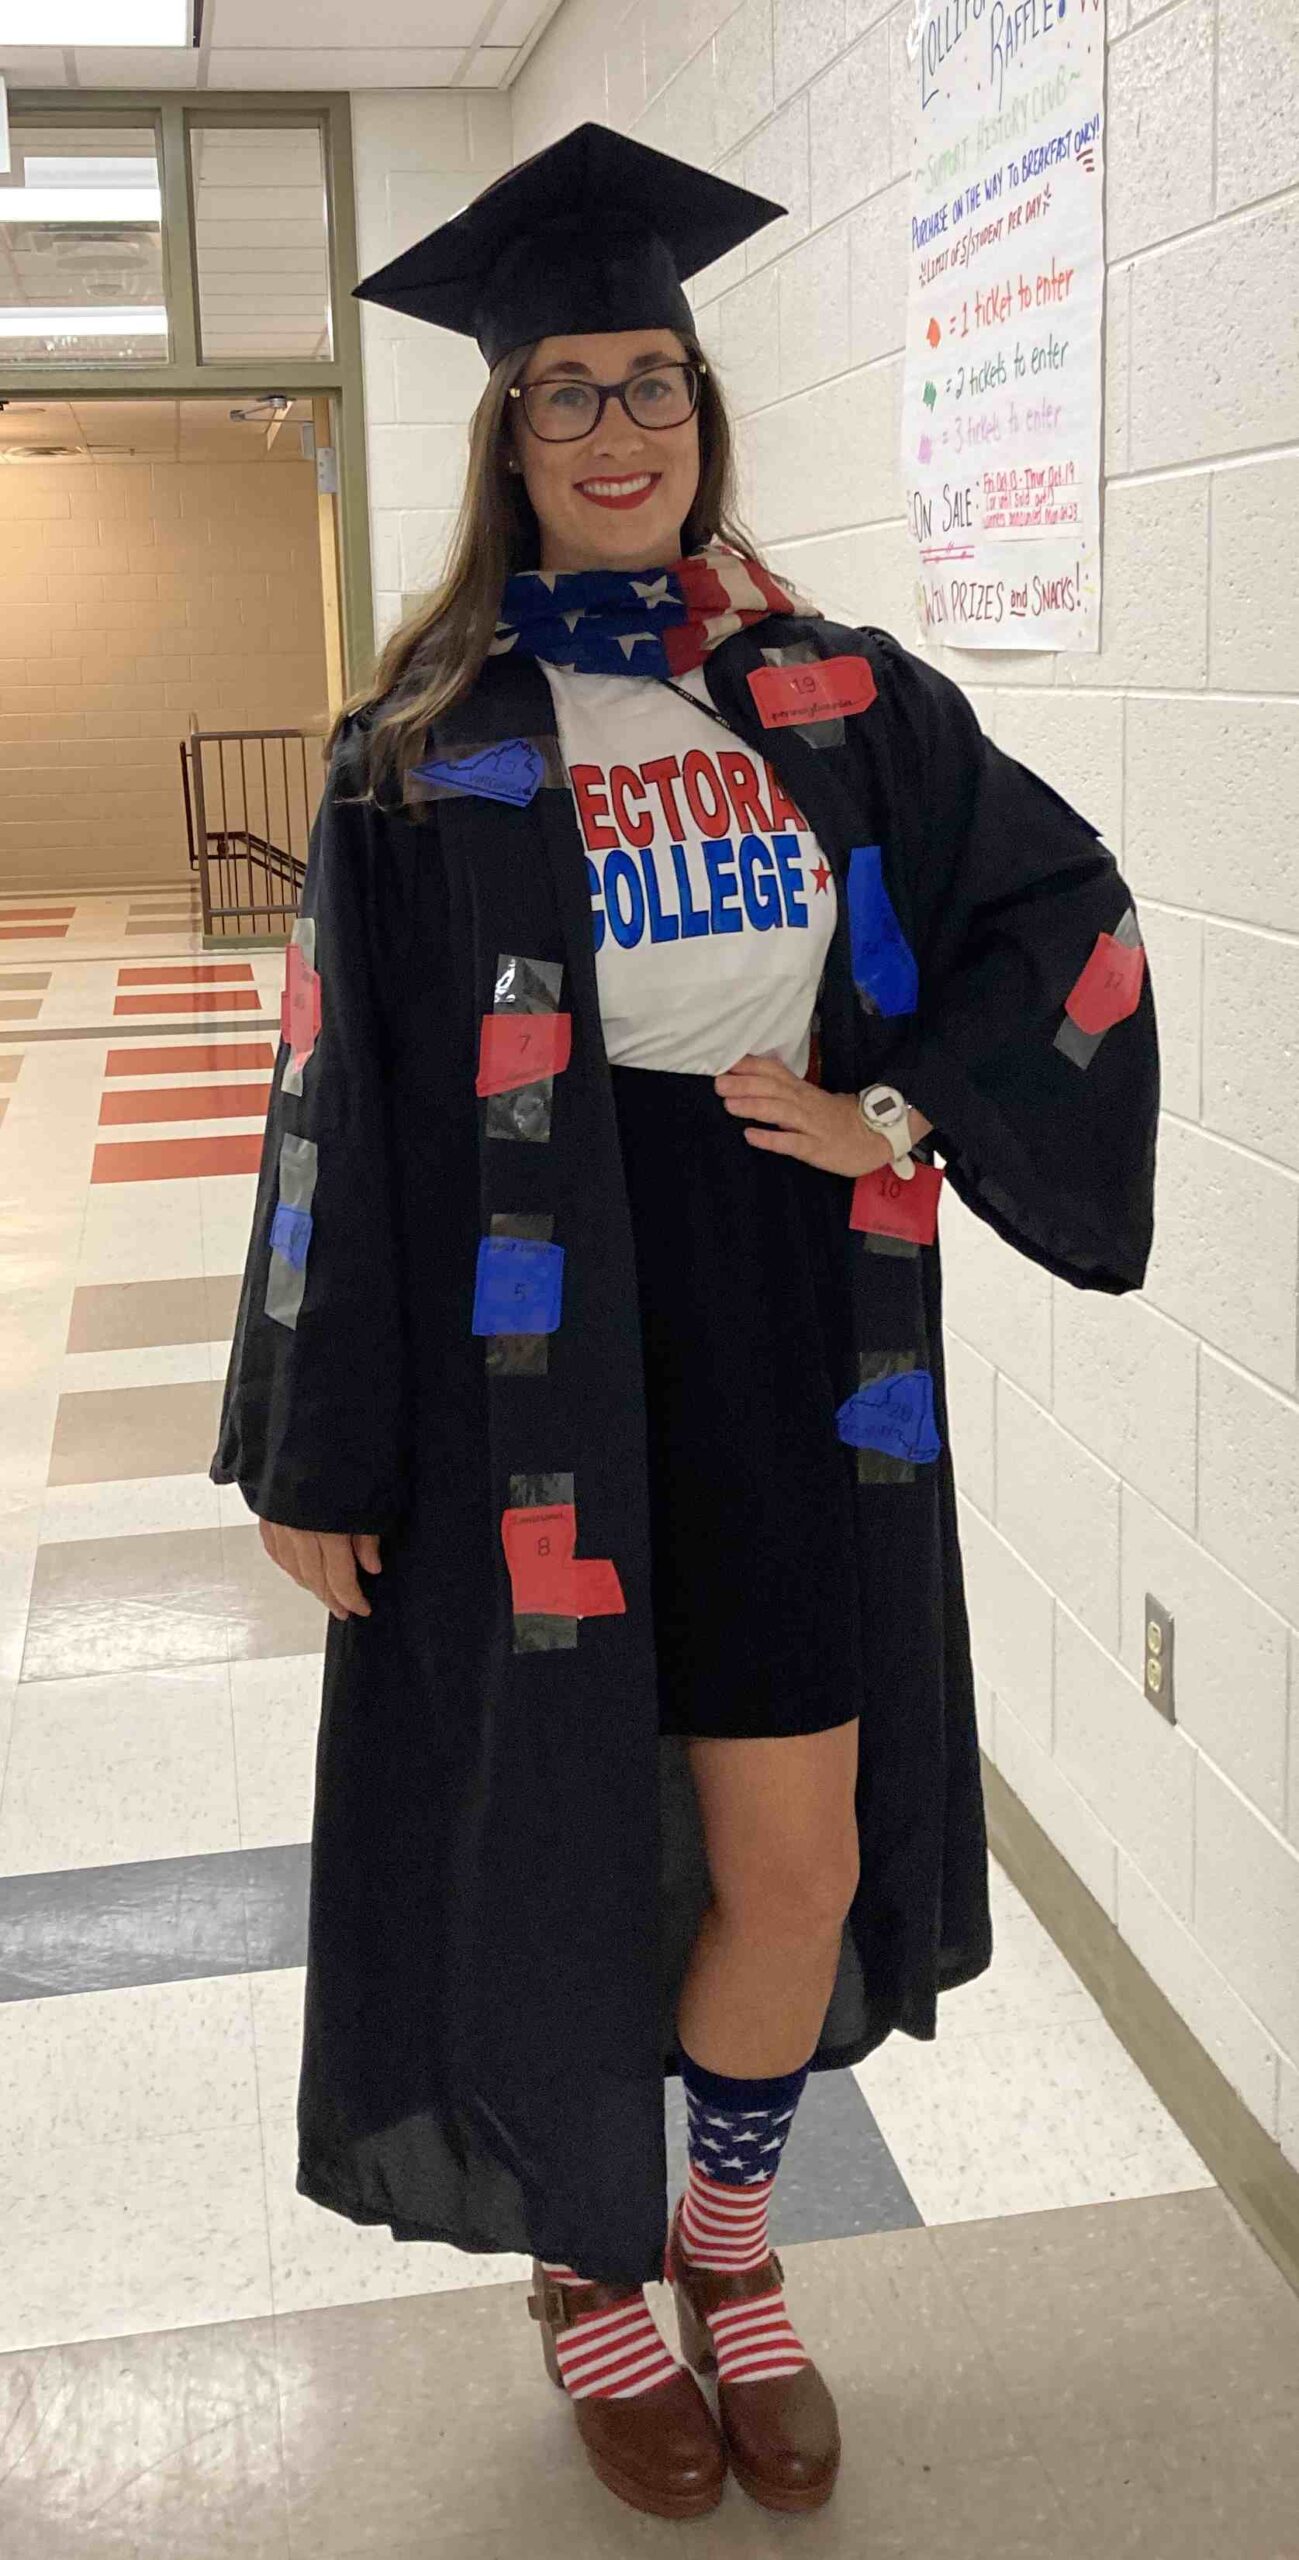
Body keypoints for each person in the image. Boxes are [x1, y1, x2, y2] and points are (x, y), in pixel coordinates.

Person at [210, 121, 1159, 2525]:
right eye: (567, 395)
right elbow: (340, 1107)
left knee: (795, 1856)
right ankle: (591, 2271)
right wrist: (319, 1450)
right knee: (543, 1843)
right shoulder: (428, 747)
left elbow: (1063, 910)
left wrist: (906, 1109)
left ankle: (733, 2247)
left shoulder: (833, 695)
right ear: (505, 441)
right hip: (518, 1345)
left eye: (653, 383)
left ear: (700, 415)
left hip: (775, 1325)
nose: (618, 430)